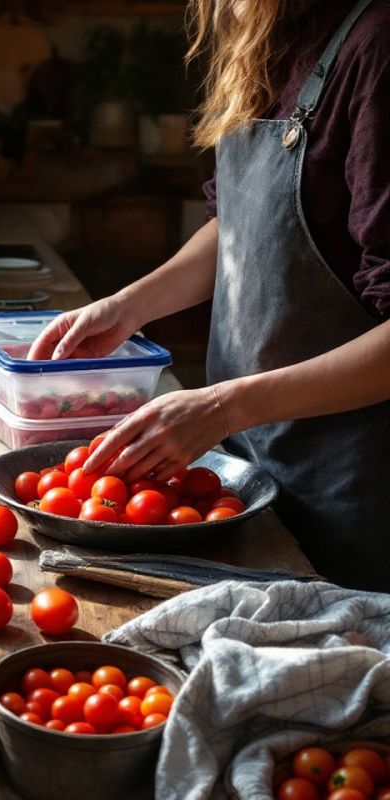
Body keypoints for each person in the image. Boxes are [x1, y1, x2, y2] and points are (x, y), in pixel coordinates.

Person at [28, 0, 390, 592]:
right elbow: (238, 227)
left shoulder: (376, 48)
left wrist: (223, 405)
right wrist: (128, 305)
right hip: (249, 455)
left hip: (349, 485)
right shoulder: (268, 38)